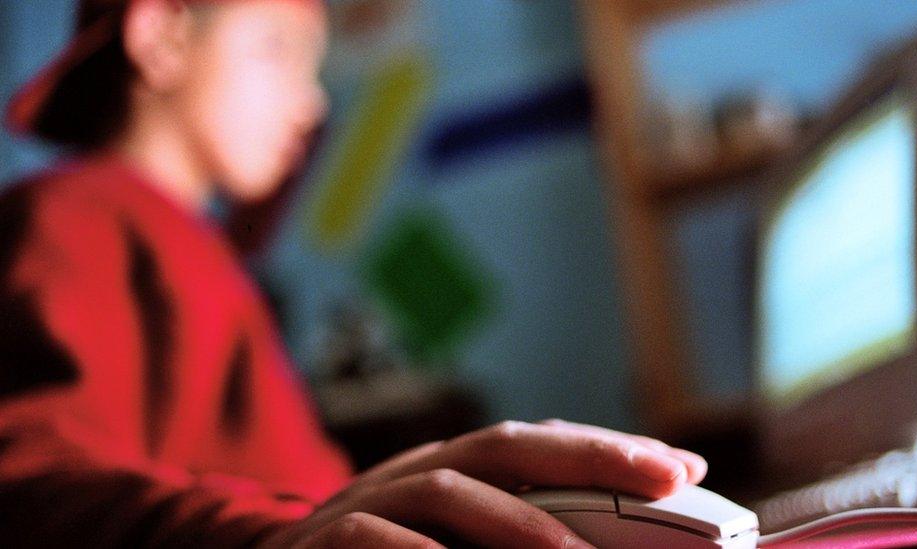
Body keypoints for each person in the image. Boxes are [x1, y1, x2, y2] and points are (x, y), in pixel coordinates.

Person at [0, 0, 708, 546]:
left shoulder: (203, 250)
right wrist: (273, 534)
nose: (313, 103)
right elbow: (28, 481)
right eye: (279, 50)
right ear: (161, 35)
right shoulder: (71, 213)